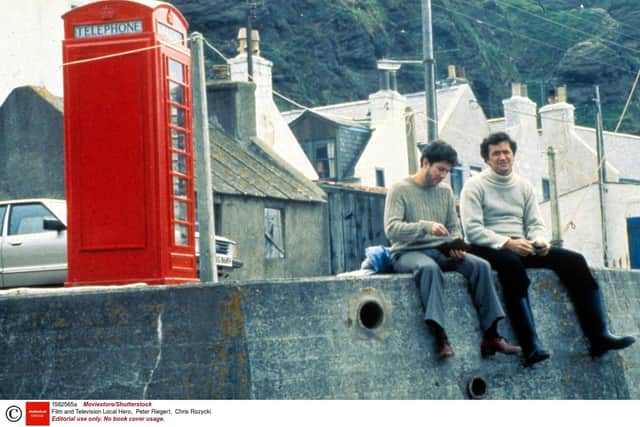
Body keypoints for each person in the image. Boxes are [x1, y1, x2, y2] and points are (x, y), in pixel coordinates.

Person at [460, 131, 635, 366]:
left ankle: (599, 336)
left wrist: (539, 241)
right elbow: (472, 230)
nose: (502, 157)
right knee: (511, 267)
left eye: (506, 152)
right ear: (487, 159)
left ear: (513, 155)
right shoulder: (474, 186)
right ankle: (531, 346)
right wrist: (507, 242)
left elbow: (535, 223)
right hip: (488, 246)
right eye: (496, 153)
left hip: (522, 244)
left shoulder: (524, 186)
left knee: (574, 261)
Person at [384, 140, 520, 359]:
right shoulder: (399, 189)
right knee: (429, 269)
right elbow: (392, 230)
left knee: (480, 265)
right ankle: (440, 336)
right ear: (425, 162)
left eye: (447, 171)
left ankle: (492, 336)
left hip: (441, 250)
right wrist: (425, 226)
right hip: (407, 253)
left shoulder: (445, 191)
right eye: (440, 169)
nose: (443, 175)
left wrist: (456, 245)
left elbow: (455, 227)